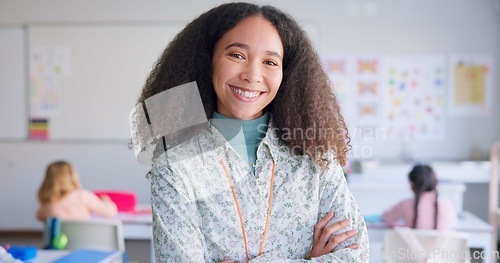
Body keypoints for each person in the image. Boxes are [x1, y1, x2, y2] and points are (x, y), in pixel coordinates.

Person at [135, 2, 369, 262]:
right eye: (237, 55)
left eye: (270, 61)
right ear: (207, 61)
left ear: (286, 74)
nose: (253, 75)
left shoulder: (317, 157)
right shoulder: (174, 167)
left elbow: (356, 256)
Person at [36, 160, 118, 222]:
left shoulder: (48, 202)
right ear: (73, 177)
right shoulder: (83, 196)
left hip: (59, 244)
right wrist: (106, 200)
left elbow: (39, 216)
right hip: (85, 242)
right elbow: (111, 212)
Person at [382, 164, 457, 230]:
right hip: (441, 246)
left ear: (411, 184)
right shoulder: (447, 205)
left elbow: (386, 217)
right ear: (435, 182)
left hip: (407, 246)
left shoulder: (405, 205)